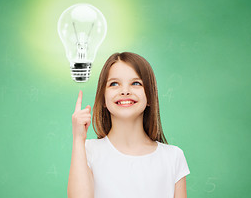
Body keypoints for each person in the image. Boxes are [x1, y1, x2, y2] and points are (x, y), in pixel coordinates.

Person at [68, 52, 190, 198]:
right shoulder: (88, 151)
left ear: (150, 96)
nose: (125, 91)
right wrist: (78, 138)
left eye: (136, 83)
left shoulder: (173, 157)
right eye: (114, 84)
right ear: (103, 99)